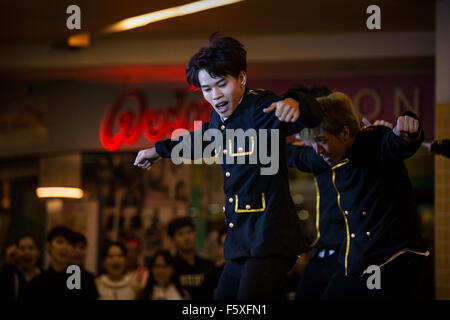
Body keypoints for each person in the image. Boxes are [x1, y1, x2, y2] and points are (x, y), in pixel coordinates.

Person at [134, 34, 322, 299]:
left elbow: (311, 115)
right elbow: (202, 140)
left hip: (269, 241)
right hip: (241, 244)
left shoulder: (260, 107)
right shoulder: (218, 116)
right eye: (207, 89)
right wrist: (158, 150)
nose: (215, 95)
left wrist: (295, 103)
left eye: (222, 84)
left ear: (242, 78)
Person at [286, 91, 429, 299]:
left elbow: (398, 143)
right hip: (359, 261)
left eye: (321, 141)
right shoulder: (327, 155)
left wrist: (408, 129)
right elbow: (296, 155)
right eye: (312, 144)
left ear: (344, 132)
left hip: (395, 258)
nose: (317, 151)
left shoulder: (374, 141)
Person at [27, 226, 98, 300]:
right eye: (59, 242)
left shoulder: (85, 279)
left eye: (69, 243)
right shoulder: (37, 283)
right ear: (48, 246)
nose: (64, 247)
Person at [167, 217, 216, 300]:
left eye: (189, 232)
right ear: (172, 239)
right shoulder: (170, 267)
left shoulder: (208, 265)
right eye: (180, 234)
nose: (187, 237)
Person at [0, 234, 41, 300]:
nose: (27, 252)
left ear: (38, 252)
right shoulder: (9, 275)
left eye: (31, 248)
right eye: (22, 249)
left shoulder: (45, 278)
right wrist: (8, 261)